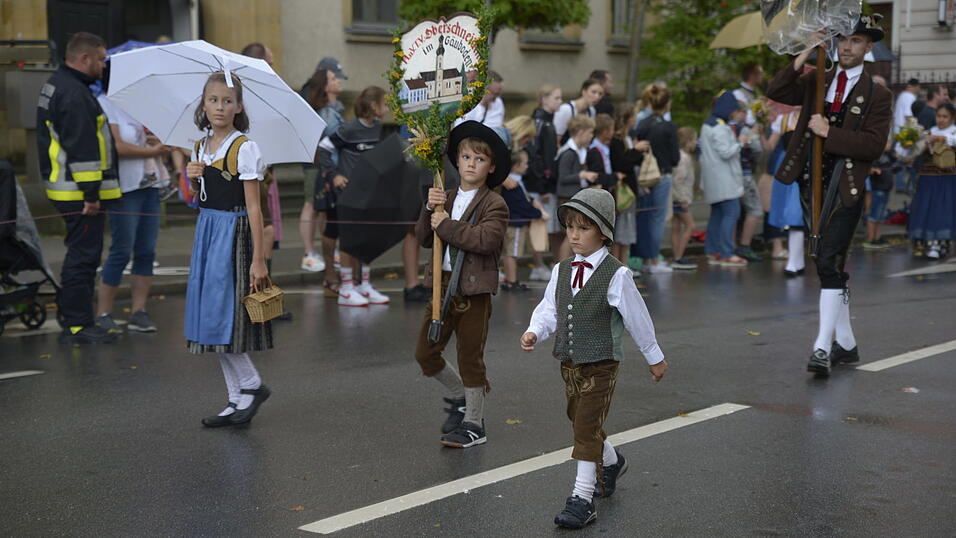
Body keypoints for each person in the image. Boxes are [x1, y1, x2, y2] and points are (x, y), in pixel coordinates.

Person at [519, 188, 667, 530]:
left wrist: (654, 356)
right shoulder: (561, 270)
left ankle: (581, 499)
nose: (574, 234)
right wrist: (534, 331)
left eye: (583, 228)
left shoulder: (617, 274)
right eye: (570, 226)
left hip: (602, 363)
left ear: (603, 232)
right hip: (570, 363)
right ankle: (612, 462)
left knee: (585, 427)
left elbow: (637, 318)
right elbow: (550, 310)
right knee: (580, 422)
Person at [766, 15, 893, 375]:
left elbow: (873, 145)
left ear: (868, 48)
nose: (848, 47)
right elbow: (777, 91)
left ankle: (822, 348)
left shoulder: (878, 93)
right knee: (828, 264)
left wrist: (827, 132)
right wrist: (808, 48)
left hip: (845, 186)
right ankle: (847, 345)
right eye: (844, 40)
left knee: (827, 263)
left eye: (856, 41)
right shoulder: (818, 78)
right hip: (811, 182)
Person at [413, 120, 509, 448]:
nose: (471, 164)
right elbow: (424, 237)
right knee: (425, 352)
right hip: (442, 287)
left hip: (473, 292)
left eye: (479, 159)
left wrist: (447, 224)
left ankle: (474, 424)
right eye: (466, 157)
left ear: (490, 167)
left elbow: (485, 240)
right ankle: (460, 397)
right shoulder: (446, 197)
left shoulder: (494, 204)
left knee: (470, 356)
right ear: (457, 160)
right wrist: (429, 209)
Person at [184, 72, 272, 427]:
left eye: (227, 101)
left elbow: (254, 207)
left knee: (224, 318)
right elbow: (200, 200)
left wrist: (259, 258)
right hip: (207, 230)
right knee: (207, 317)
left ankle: (251, 386)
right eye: (213, 100)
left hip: (233, 234)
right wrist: (193, 179)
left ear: (238, 106)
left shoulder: (243, 147)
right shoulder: (199, 147)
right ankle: (236, 399)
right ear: (203, 104)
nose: (220, 107)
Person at [37, 32, 120, 344]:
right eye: (100, 59)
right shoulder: (75, 94)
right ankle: (78, 324)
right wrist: (91, 195)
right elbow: (83, 149)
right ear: (84, 59)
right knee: (83, 258)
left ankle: (76, 319)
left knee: (81, 255)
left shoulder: (59, 84)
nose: (102, 65)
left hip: (67, 189)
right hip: (78, 193)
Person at [95, 85, 169, 334]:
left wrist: (157, 143)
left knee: (146, 250)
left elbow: (152, 139)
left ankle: (139, 311)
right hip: (124, 187)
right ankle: (103, 312)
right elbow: (116, 147)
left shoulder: (141, 106)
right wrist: (151, 150)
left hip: (149, 183)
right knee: (122, 249)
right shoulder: (106, 103)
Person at [321, 86, 391, 307]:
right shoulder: (348, 129)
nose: (388, 108)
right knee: (349, 241)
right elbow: (323, 149)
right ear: (373, 106)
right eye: (385, 103)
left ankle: (364, 285)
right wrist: (334, 175)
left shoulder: (380, 129)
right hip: (348, 194)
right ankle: (347, 288)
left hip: (370, 194)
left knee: (367, 239)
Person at [302, 61, 347, 299]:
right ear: (325, 86)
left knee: (329, 218)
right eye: (334, 78)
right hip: (324, 172)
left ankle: (332, 269)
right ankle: (320, 263)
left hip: (332, 171)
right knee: (322, 215)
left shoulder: (335, 108)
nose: (338, 80)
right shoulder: (325, 113)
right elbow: (332, 141)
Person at [632, 84, 680, 274]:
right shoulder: (668, 127)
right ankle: (653, 259)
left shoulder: (642, 123)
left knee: (644, 217)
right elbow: (675, 158)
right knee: (658, 218)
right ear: (666, 104)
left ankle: (644, 258)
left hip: (644, 176)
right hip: (662, 175)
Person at [700, 92, 749, 267]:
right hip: (725, 180)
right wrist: (741, 143)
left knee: (717, 215)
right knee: (731, 213)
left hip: (714, 179)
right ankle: (727, 253)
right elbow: (726, 152)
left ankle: (713, 251)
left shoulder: (708, 125)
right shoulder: (719, 127)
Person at [907, 103, 956, 260]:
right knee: (927, 209)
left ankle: (940, 243)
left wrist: (940, 138)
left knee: (943, 210)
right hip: (928, 179)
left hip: (947, 180)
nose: (941, 119)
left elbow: (952, 140)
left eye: (945, 116)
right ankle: (926, 243)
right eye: (939, 116)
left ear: (952, 118)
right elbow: (910, 151)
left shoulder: (952, 132)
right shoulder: (930, 131)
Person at [765, 107, 807, 275]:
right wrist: (759, 131)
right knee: (790, 214)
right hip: (786, 166)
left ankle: (795, 261)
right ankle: (796, 261)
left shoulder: (816, 116)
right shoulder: (783, 120)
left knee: (796, 213)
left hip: (805, 165)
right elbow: (769, 147)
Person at [530, 84, 563, 269]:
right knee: (541, 226)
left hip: (548, 183)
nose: (560, 102)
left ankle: (555, 263)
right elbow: (538, 156)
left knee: (552, 227)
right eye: (557, 98)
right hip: (541, 184)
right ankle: (539, 265)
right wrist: (543, 185)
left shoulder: (549, 122)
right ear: (544, 99)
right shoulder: (540, 122)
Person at [609, 105, 647, 268]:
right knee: (620, 232)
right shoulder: (616, 140)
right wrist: (635, 150)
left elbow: (633, 161)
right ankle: (616, 265)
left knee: (626, 232)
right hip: (621, 190)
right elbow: (621, 163)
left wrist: (637, 152)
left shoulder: (628, 137)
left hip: (630, 190)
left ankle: (624, 264)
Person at [556, 115, 598, 260]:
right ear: (580, 132)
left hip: (573, 199)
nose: (592, 136)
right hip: (567, 199)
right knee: (570, 238)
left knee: (572, 237)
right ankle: (562, 268)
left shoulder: (578, 151)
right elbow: (563, 177)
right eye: (590, 132)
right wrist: (582, 175)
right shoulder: (568, 153)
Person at [501, 149, 544, 291]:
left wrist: (532, 202)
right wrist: (537, 213)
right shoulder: (513, 184)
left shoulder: (516, 182)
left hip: (515, 222)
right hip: (516, 223)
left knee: (511, 251)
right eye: (525, 163)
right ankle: (512, 281)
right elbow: (520, 204)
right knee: (512, 252)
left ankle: (511, 279)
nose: (527, 166)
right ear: (516, 165)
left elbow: (525, 200)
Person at [730, 105, 765, 262]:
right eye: (743, 111)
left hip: (728, 175)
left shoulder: (724, 127)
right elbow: (757, 150)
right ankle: (744, 246)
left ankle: (729, 247)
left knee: (731, 211)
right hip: (745, 174)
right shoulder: (745, 130)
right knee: (755, 209)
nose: (745, 115)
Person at [671, 127, 698, 269]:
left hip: (675, 198)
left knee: (676, 226)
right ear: (687, 141)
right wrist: (683, 200)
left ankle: (676, 256)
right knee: (690, 225)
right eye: (694, 139)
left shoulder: (679, 155)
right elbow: (679, 180)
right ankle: (679, 257)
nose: (695, 142)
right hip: (680, 199)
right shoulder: (684, 158)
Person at [554, 79, 604, 143]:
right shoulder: (566, 110)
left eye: (600, 94)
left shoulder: (591, 111)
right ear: (584, 91)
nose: (597, 97)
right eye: (593, 92)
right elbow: (556, 139)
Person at [893, 78, 920, 192]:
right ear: (914, 86)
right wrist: (914, 132)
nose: (919, 89)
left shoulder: (902, 96)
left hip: (899, 130)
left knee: (900, 158)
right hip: (906, 131)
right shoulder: (909, 97)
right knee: (905, 159)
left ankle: (901, 185)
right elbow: (909, 116)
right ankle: (903, 186)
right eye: (918, 87)